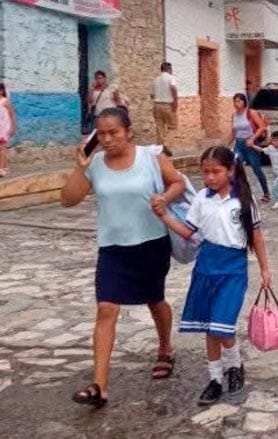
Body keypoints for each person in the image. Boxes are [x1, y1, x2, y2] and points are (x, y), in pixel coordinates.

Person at [61, 108, 185, 408]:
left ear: (128, 131)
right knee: (106, 308)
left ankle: (166, 348)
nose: (107, 139)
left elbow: (178, 182)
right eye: (101, 134)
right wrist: (80, 167)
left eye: (113, 132)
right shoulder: (95, 164)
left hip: (151, 243)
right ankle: (99, 386)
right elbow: (68, 199)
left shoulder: (150, 157)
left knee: (154, 299)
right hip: (113, 248)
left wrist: (164, 199)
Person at [151, 146, 272, 406]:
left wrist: (264, 268)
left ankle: (235, 365)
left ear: (230, 170)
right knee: (210, 327)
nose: (209, 177)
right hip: (206, 268)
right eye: (205, 172)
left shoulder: (243, 201)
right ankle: (215, 378)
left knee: (223, 325)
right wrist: (164, 216)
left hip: (233, 270)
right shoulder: (202, 199)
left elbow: (257, 236)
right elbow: (188, 231)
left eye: (216, 171)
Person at [227, 93, 270, 203]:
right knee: (236, 167)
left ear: (244, 102)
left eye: (239, 101)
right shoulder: (234, 115)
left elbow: (262, 127)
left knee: (256, 168)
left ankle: (266, 192)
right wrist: (225, 145)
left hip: (251, 144)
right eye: (235, 101)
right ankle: (239, 192)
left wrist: (252, 139)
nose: (236, 103)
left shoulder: (251, 113)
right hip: (239, 144)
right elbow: (233, 132)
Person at [151, 62, 179, 145]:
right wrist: (175, 101)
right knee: (172, 126)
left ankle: (161, 145)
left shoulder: (155, 80)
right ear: (169, 69)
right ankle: (168, 144)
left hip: (157, 105)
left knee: (159, 127)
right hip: (167, 105)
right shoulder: (171, 78)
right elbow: (173, 87)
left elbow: (152, 95)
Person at [0, 83, 17, 177]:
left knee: (2, 148)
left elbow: (12, 115)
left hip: (4, 128)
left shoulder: (5, 101)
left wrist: (13, 128)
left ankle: (1, 169)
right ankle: (5, 167)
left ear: (2, 91)